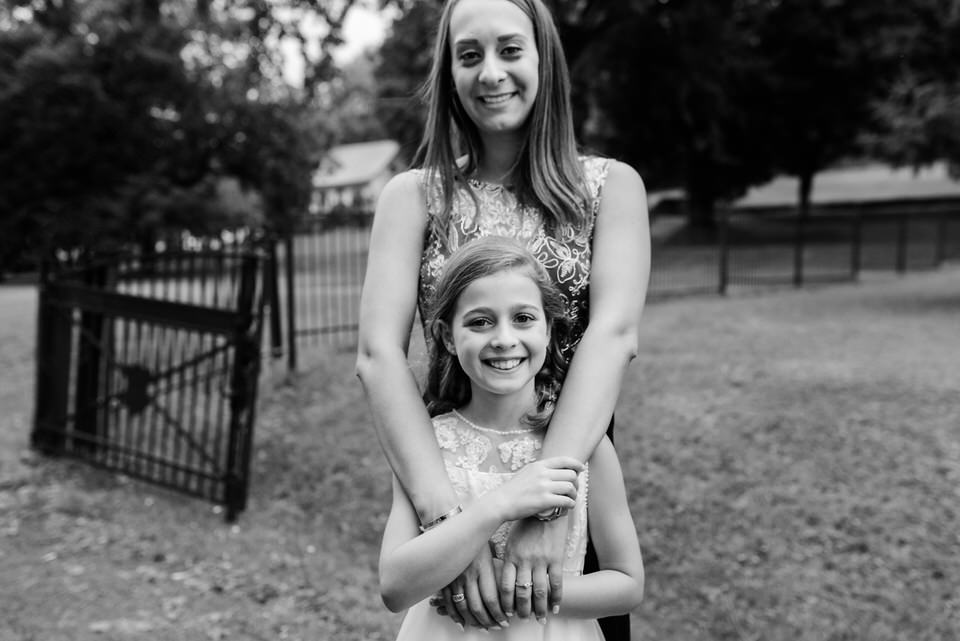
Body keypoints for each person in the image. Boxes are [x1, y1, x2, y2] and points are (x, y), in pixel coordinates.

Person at [356, 0, 650, 637]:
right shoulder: (414, 197)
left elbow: (613, 335)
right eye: (470, 55)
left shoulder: (610, 188)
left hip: (572, 475)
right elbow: (379, 353)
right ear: (449, 73)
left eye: (510, 50)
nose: (491, 72)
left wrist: (548, 511)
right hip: (452, 475)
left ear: (544, 59)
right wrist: (446, 520)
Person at [379, 237, 644, 640]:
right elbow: (396, 586)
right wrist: (498, 506)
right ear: (448, 337)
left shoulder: (587, 448)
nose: (504, 338)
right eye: (480, 322)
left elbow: (627, 583)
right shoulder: (429, 446)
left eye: (522, 318)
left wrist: (510, 592)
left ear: (549, 328)